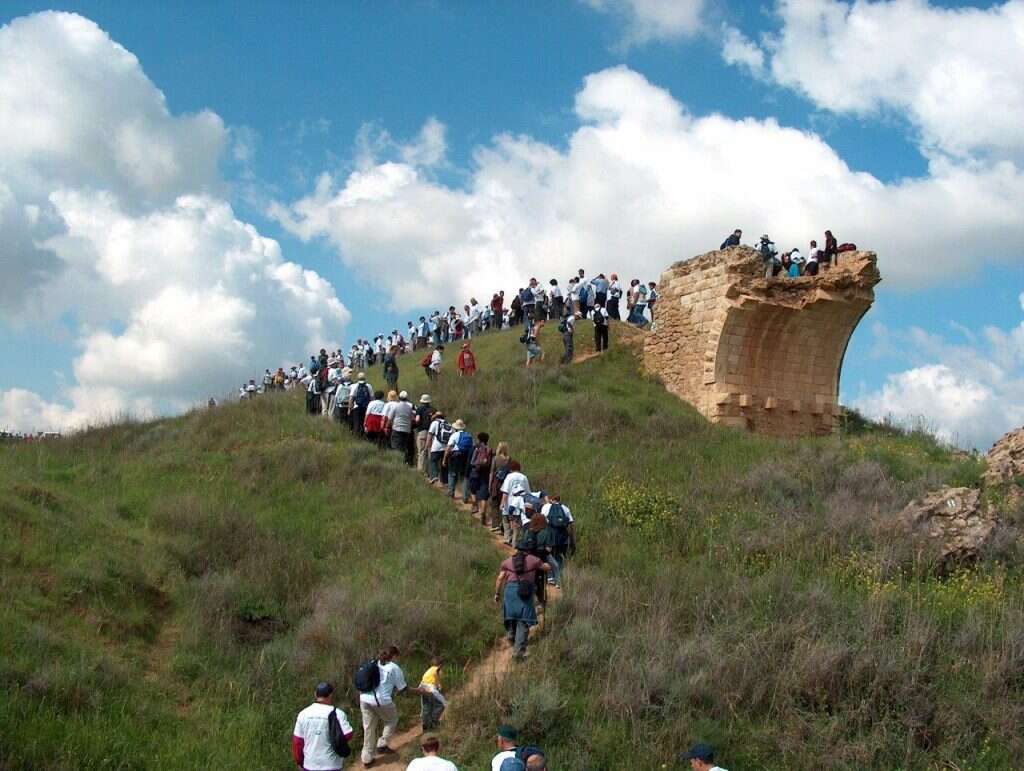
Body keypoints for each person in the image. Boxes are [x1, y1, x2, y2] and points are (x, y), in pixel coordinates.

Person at [358, 646, 411, 768]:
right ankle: (382, 744)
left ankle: (367, 758)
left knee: (369, 728)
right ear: (394, 656)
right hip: (382, 700)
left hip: (364, 698)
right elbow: (403, 689)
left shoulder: (372, 663)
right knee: (392, 719)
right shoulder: (394, 667)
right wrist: (419, 691)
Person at [494, 547, 550, 660]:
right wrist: (547, 561)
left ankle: (511, 635)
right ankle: (518, 654)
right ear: (528, 550)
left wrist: (497, 594)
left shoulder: (507, 561)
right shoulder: (533, 559)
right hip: (525, 592)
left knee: (511, 615)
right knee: (523, 620)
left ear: (516, 550)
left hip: (510, 591)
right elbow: (546, 568)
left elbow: (500, 578)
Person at [292, 681, 354, 771]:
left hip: (310, 765)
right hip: (332, 764)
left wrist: (300, 762)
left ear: (315, 694)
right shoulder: (338, 713)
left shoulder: (303, 714)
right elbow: (348, 734)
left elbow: (297, 742)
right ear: (331, 695)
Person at [540, 494, 574, 588]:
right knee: (559, 557)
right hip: (563, 538)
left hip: (550, 536)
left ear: (551, 499)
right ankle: (559, 580)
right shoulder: (565, 508)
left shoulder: (546, 507)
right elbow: (571, 524)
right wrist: (571, 539)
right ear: (560, 499)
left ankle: (550, 577)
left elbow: (542, 521)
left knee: (549, 556)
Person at [500, 460, 530, 546]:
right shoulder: (524, 477)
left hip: (508, 503)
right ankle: (514, 542)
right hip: (518, 504)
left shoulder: (509, 477)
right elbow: (528, 492)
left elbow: (505, 492)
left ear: (511, 468)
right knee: (516, 524)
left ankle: (507, 538)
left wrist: (502, 503)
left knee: (506, 521)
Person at [444, 419, 474, 501]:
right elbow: (473, 447)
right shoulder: (469, 435)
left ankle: (451, 493)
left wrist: (444, 459)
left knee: (452, 474)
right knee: (464, 477)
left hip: (455, 457)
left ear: (456, 428)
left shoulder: (454, 435)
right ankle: (465, 497)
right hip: (466, 458)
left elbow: (448, 448)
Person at [468, 432, 494, 522]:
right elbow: (491, 464)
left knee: (472, 490)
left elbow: (472, 462)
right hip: (485, 475)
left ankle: (475, 505)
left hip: (475, 473)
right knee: (484, 496)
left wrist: (476, 465)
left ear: (479, 439)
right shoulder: (490, 450)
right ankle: (483, 512)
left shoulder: (477, 449)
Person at [384, 390, 415, 464]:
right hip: (407, 430)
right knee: (404, 447)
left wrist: (387, 427)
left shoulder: (396, 406)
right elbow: (412, 419)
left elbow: (390, 418)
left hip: (397, 428)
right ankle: (404, 462)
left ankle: (397, 462)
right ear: (407, 398)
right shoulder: (409, 407)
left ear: (399, 398)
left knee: (396, 446)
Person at [417, 660, 447, 731]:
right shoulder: (436, 669)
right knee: (442, 704)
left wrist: (439, 686)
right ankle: (433, 722)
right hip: (429, 688)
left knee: (427, 706)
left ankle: (425, 725)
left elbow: (436, 680)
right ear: (439, 665)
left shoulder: (429, 671)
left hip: (422, 687)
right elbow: (438, 672)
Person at [488, 442, 511, 533]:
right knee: (504, 505)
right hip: (505, 484)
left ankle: (495, 525)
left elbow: (492, 472)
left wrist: (490, 484)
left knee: (494, 504)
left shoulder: (495, 459)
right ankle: (503, 526)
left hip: (496, 483)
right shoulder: (509, 459)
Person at [427, 411, 451, 485]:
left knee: (433, 461)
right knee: (444, 464)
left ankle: (434, 476)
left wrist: (427, 445)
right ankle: (444, 481)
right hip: (446, 447)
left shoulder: (435, 423)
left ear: (436, 417)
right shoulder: (449, 424)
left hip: (436, 446)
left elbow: (430, 434)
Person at [415, 395, 434, 473]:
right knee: (430, 452)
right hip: (432, 432)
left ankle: (420, 470)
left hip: (422, 431)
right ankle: (430, 471)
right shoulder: (433, 409)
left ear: (422, 401)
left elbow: (417, 420)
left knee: (422, 451)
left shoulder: (420, 409)